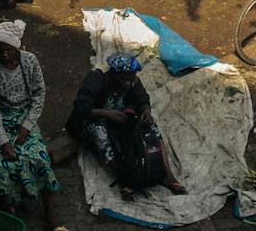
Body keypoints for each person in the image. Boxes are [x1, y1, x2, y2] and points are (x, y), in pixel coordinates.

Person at [0, 19, 72, 231]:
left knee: (37, 156)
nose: (4, 56)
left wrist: (26, 127)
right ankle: (9, 207)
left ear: (17, 47)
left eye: (8, 50)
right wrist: (3, 141)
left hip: (24, 117)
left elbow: (39, 95)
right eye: (0, 51)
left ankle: (52, 216)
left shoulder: (30, 62)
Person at [70, 53, 187, 199]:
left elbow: (143, 99)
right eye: (124, 78)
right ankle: (125, 179)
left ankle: (167, 175)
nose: (128, 82)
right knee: (100, 134)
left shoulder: (133, 81)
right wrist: (107, 114)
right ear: (114, 74)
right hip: (94, 119)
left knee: (152, 128)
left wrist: (146, 111)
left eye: (131, 77)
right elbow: (81, 107)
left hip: (121, 118)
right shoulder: (97, 79)